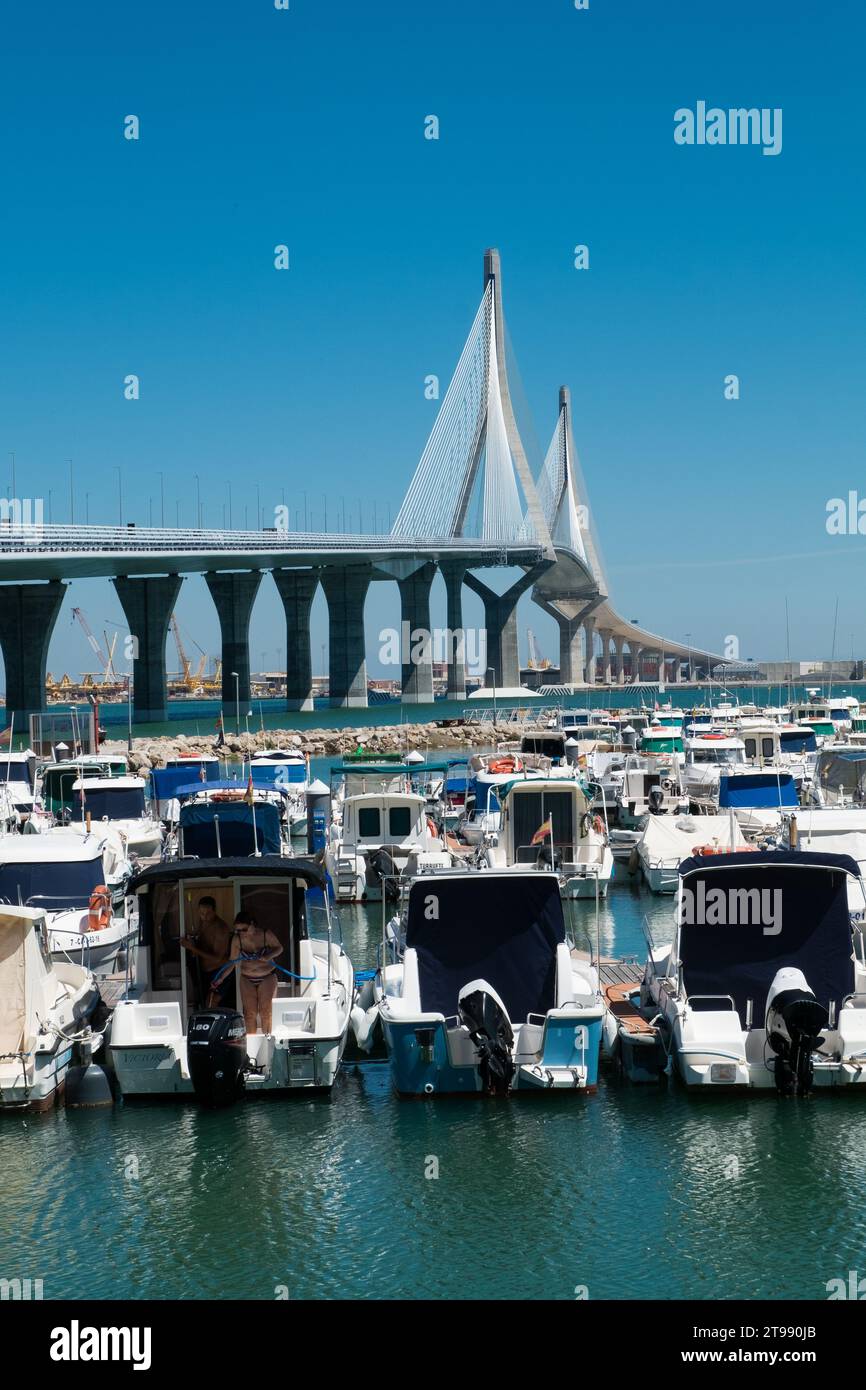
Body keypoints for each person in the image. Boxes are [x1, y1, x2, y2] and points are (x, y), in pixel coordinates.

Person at [233, 911, 283, 1035]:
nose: (241, 933)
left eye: (244, 929)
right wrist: (220, 979)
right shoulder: (237, 939)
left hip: (267, 976)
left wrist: (268, 956)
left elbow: (279, 948)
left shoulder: (266, 935)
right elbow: (232, 962)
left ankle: (267, 1040)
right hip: (247, 978)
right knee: (249, 1014)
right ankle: (251, 1044)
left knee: (266, 1012)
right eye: (238, 931)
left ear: (252, 925)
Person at [179, 896, 234, 1006]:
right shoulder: (203, 921)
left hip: (219, 972)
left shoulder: (221, 929)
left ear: (214, 911)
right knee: (202, 1001)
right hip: (204, 971)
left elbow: (217, 958)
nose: (204, 916)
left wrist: (192, 948)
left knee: (211, 1002)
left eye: (208, 913)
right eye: (201, 913)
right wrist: (192, 941)